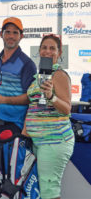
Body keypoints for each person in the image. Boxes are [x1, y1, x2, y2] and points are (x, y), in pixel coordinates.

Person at [0, 17, 37, 193]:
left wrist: (2, 100)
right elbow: (1, 90)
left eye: (15, 32)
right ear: (1, 34)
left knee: (12, 180)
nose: (11, 36)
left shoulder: (27, 64)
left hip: (16, 128)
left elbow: (31, 98)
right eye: (8, 32)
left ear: (21, 36)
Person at [22, 34, 75, 199]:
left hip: (54, 141)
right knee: (40, 189)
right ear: (39, 51)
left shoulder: (59, 75)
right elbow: (32, 105)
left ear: (59, 53)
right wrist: (24, 134)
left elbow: (66, 108)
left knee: (49, 192)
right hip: (38, 142)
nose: (48, 51)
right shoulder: (38, 76)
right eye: (44, 47)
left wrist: (51, 96)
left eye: (52, 48)